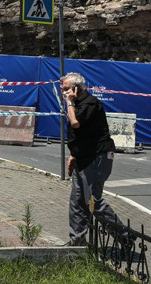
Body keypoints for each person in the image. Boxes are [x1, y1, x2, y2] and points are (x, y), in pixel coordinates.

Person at [62, 72, 124, 246]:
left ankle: (124, 236)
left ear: (77, 88)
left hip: (97, 157)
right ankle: (77, 240)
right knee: (77, 201)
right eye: (62, 89)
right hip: (83, 157)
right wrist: (73, 154)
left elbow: (76, 123)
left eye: (66, 89)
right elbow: (82, 135)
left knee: (93, 201)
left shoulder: (90, 103)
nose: (63, 93)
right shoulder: (77, 104)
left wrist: (69, 103)